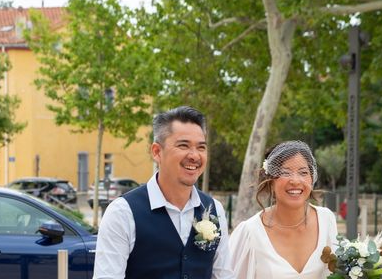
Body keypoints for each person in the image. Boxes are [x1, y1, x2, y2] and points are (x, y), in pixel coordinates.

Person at [93, 106, 235, 279]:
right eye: (183, 145)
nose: (194, 156)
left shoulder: (215, 210)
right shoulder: (122, 212)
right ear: (157, 152)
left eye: (201, 147)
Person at [229, 140, 338, 279]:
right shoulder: (249, 232)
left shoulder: (326, 220)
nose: (295, 180)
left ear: (312, 178)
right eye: (286, 173)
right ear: (270, 180)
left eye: (303, 172)